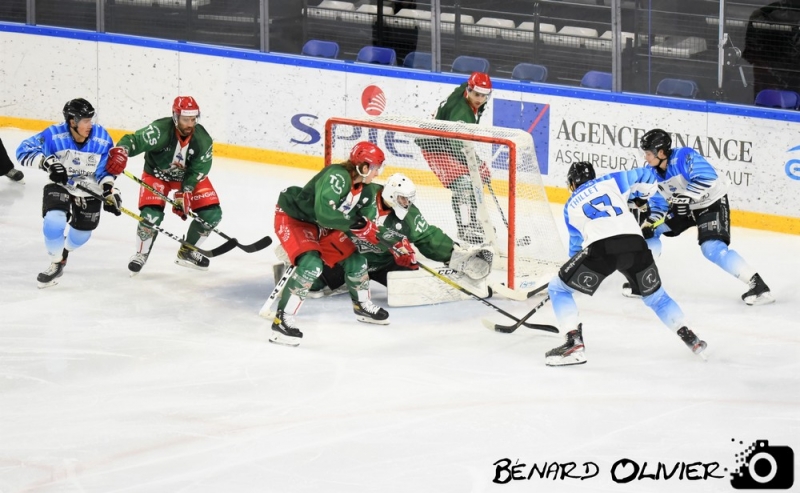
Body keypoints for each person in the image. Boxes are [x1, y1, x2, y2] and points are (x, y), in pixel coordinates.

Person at [545, 161, 707, 367]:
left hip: (601, 249)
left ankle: (573, 343)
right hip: (636, 244)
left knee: (558, 288)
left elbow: (575, 250)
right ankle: (689, 335)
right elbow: (648, 176)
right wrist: (641, 197)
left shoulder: (569, 206)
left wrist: (569, 275)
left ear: (572, 184)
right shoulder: (610, 180)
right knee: (657, 298)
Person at [276, 173, 493, 298]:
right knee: (313, 286)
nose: (406, 204)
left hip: (382, 263)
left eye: (408, 200)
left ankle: (461, 259)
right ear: (391, 193)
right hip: (345, 257)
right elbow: (329, 214)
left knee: (412, 284)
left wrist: (453, 254)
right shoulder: (361, 195)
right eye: (402, 199)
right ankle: (296, 259)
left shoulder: (409, 215)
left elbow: (427, 236)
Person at [270, 141, 392, 347]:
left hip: (320, 225)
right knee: (312, 265)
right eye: (375, 167)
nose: (378, 173)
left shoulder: (363, 187)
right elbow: (326, 214)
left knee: (357, 261)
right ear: (363, 166)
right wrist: (357, 224)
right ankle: (281, 321)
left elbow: (358, 217)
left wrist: (378, 236)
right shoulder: (337, 176)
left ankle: (362, 306)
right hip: (296, 219)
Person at [637, 129, 774, 306]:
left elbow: (709, 179)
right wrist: (651, 221)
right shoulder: (651, 172)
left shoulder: (684, 156)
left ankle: (759, 286)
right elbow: (659, 204)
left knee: (712, 248)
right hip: (684, 208)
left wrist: (684, 198)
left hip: (711, 203)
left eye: (649, 153)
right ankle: (644, 281)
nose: (646, 157)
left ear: (661, 152)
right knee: (649, 232)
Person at [16, 98, 125, 288]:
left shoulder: (102, 138)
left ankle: (64, 251)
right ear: (72, 121)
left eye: (91, 119)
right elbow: (22, 151)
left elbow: (105, 170)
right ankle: (56, 262)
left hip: (89, 188)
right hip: (61, 185)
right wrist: (47, 163)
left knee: (81, 236)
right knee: (53, 221)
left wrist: (109, 191)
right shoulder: (54, 134)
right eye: (85, 120)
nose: (89, 125)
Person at [114, 96, 222, 274]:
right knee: (150, 216)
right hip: (157, 175)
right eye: (186, 119)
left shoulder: (203, 140)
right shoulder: (160, 130)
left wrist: (185, 191)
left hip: (188, 177)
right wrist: (122, 150)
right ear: (175, 117)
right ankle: (141, 254)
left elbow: (199, 170)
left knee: (212, 214)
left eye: (193, 119)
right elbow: (134, 140)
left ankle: (188, 251)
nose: (190, 123)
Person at [417, 71, 493, 244]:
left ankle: (472, 221)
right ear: (469, 89)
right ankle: (465, 228)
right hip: (434, 146)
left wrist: (477, 166)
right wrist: (478, 164)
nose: (480, 99)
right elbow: (457, 146)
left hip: (449, 142)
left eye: (483, 95)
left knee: (476, 180)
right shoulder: (461, 113)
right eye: (476, 94)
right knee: (464, 184)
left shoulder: (469, 95)